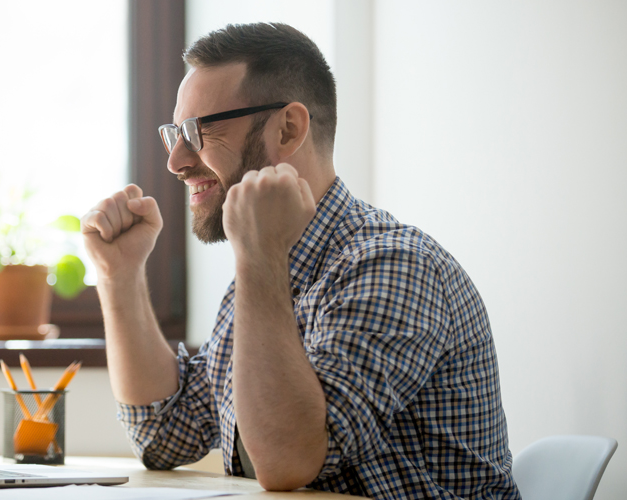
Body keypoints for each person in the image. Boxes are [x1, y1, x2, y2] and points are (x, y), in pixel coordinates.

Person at [81, 22, 520, 499]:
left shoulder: (395, 266)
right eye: (174, 134)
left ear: (288, 129)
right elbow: (164, 433)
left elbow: (288, 462)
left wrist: (259, 257)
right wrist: (119, 274)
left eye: (198, 130)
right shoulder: (264, 275)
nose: (176, 161)